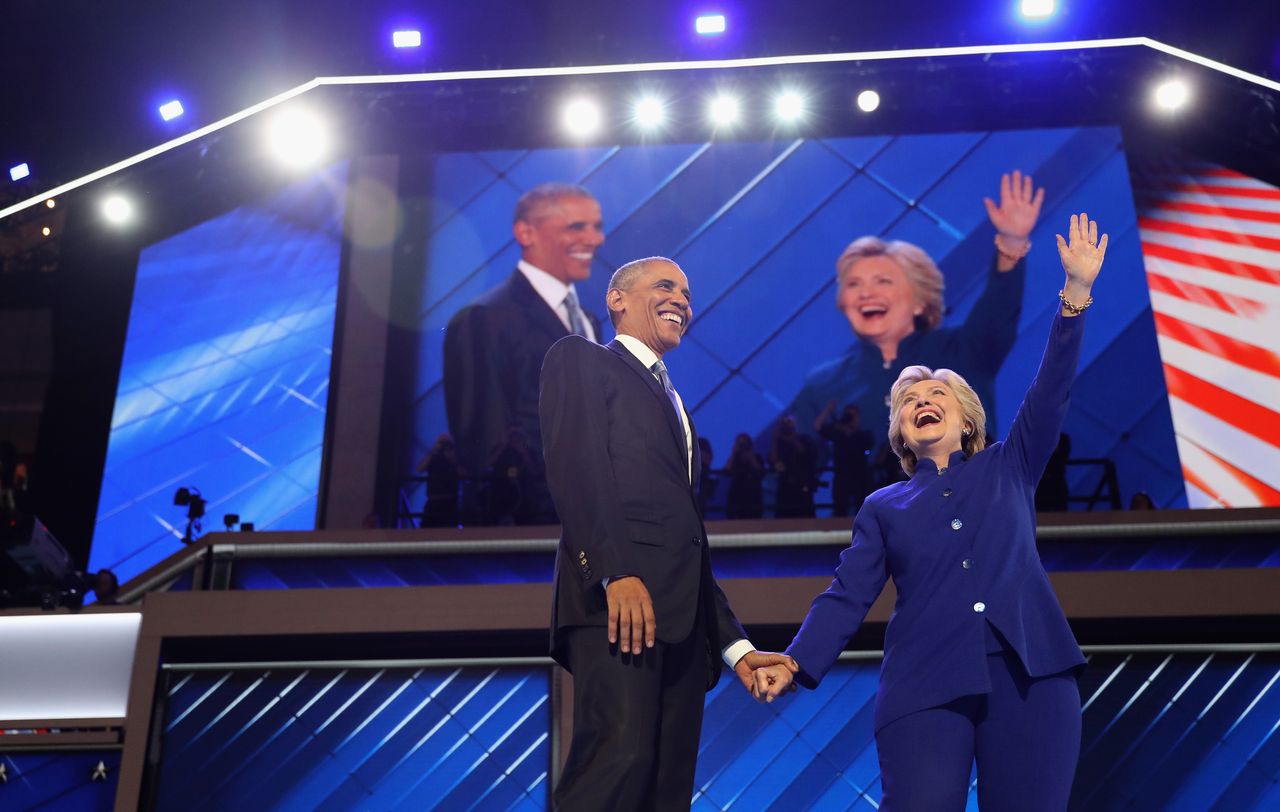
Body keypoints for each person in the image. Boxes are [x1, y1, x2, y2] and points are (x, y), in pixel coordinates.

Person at [752, 213, 1109, 812]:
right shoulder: (883, 506)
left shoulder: (1010, 463)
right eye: (910, 400)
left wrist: (1075, 295)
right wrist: (795, 660)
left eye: (936, 394)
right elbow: (846, 595)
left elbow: (1050, 389)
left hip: (1033, 674)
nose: (922, 401)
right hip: (924, 684)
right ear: (897, 432)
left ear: (967, 418)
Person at [540, 257, 795, 810]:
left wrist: (734, 646)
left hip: (680, 625)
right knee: (617, 764)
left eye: (687, 291)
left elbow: (687, 541)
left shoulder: (676, 403)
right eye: (665, 285)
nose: (682, 299)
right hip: (618, 607)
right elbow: (576, 468)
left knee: (665, 789)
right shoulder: (580, 359)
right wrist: (615, 572)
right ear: (616, 300)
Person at [786, 171, 1046, 459]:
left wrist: (1011, 245)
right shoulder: (822, 384)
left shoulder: (965, 351)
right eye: (854, 284)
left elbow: (999, 310)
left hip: (962, 499)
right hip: (864, 503)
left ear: (921, 301)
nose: (866, 293)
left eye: (883, 281)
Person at [443, 183, 605, 525]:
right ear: (525, 232)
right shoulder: (485, 317)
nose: (595, 239)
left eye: (596, 227)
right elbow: (483, 439)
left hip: (592, 520)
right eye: (577, 227)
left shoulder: (589, 320)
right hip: (528, 524)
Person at [815, 401, 875, 517]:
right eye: (848, 415)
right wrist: (828, 410)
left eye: (852, 415)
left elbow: (869, 444)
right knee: (840, 510)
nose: (850, 418)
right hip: (842, 477)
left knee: (863, 510)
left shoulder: (864, 435)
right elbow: (817, 427)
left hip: (861, 477)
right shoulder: (838, 433)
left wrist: (852, 427)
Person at [725, 433, 766, 520]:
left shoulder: (757, 458)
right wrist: (734, 453)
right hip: (736, 498)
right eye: (740, 444)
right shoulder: (735, 459)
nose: (743, 446)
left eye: (745, 444)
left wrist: (750, 456)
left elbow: (761, 472)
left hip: (753, 498)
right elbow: (726, 471)